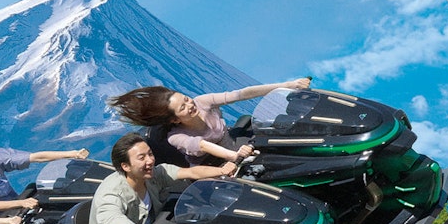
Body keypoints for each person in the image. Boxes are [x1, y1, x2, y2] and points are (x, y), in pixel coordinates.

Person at [89, 132, 236, 224]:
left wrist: (222, 171)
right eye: (142, 158)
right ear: (125, 166)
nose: (150, 160)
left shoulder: (152, 174)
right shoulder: (110, 197)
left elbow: (190, 172)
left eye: (150, 154)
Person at [108, 78, 312, 166]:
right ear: (174, 119)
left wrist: (287, 85)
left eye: (186, 99)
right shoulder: (176, 137)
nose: (190, 105)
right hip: (216, 164)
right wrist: (235, 156)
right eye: (183, 108)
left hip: (235, 144)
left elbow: (241, 94)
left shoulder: (202, 102)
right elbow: (205, 146)